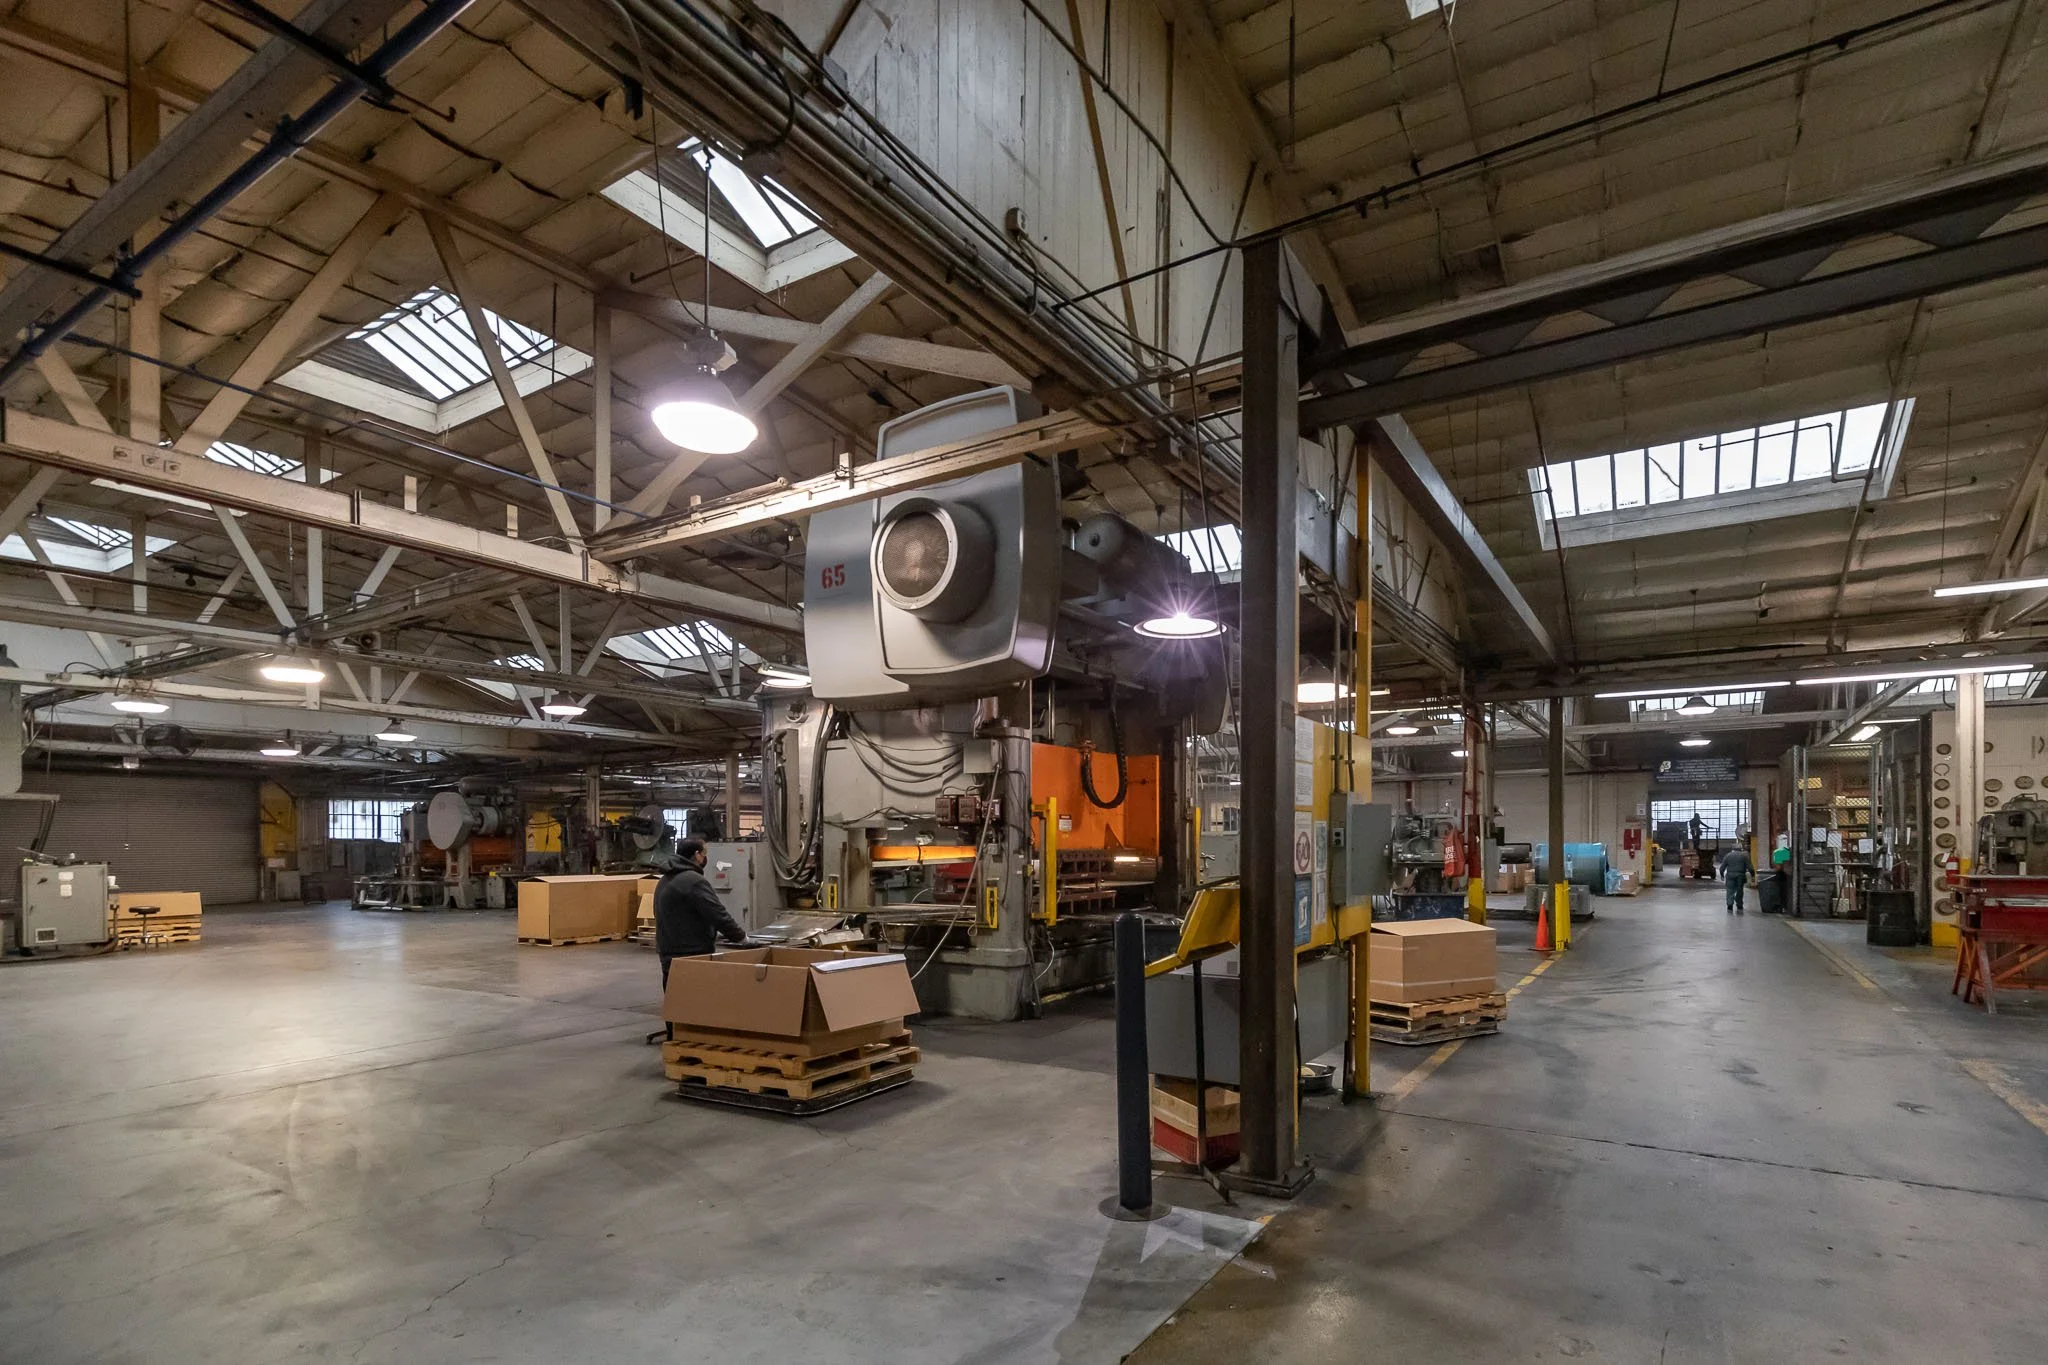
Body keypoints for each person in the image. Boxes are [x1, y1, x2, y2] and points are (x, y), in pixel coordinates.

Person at [654, 837, 749, 991]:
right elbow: (717, 914)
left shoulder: (666, 878)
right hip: (691, 954)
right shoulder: (693, 880)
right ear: (697, 855)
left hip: (668, 952)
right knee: (696, 1000)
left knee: (676, 999)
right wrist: (741, 938)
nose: (705, 858)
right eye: (704, 853)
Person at [1720, 841, 1754, 915]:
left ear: (1732, 849)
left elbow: (1722, 867)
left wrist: (1722, 874)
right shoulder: (1744, 856)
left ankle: (1730, 905)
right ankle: (1739, 905)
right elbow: (1750, 867)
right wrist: (1753, 875)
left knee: (1730, 890)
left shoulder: (1728, 855)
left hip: (1730, 875)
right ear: (1741, 849)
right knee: (1739, 890)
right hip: (1740, 876)